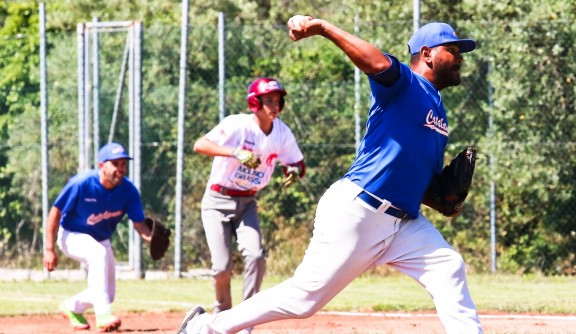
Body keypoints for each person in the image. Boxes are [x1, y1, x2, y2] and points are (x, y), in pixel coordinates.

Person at [178, 15, 482, 334]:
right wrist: (322, 28)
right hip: (360, 209)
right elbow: (376, 63)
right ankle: (203, 327)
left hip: (405, 222)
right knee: (303, 300)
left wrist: (446, 201)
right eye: (453, 48)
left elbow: (424, 182)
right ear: (427, 53)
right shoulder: (404, 83)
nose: (460, 56)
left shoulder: (439, 110)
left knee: (449, 267)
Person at [191, 77, 306, 332]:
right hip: (217, 201)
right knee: (222, 267)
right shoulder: (238, 125)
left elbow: (297, 163)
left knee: (256, 257)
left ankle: (246, 321)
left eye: (277, 101)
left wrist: (294, 172)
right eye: (268, 101)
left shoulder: (281, 132)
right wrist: (235, 152)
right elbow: (200, 145)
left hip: (247, 202)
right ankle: (222, 316)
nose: (274, 106)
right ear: (255, 103)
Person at [43, 142, 152, 332]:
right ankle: (103, 315)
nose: (120, 168)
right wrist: (49, 249)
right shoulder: (82, 183)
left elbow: (139, 223)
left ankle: (72, 307)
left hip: (101, 239)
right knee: (98, 254)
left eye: (123, 164)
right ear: (102, 165)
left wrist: (151, 238)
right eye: (115, 163)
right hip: (70, 235)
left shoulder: (128, 191)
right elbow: (55, 213)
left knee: (107, 293)